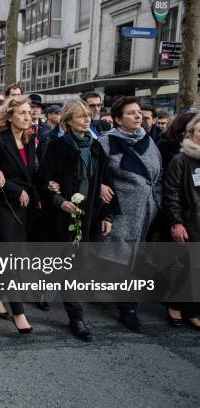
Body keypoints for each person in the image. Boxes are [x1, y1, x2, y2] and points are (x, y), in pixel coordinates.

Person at [38, 99, 120, 341]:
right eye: (81, 116)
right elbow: (43, 179)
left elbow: (107, 180)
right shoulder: (56, 146)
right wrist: (58, 199)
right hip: (63, 217)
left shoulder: (96, 148)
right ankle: (76, 317)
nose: (87, 119)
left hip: (89, 215)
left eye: (88, 116)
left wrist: (107, 214)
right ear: (68, 120)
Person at [97, 96, 162, 333]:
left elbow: (158, 175)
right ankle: (128, 309)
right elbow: (98, 175)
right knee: (120, 258)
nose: (138, 117)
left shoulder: (148, 141)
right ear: (117, 119)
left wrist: (156, 201)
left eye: (139, 113)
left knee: (135, 257)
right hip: (120, 211)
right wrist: (103, 193)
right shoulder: (106, 143)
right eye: (131, 113)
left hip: (146, 210)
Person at [0, 95, 36, 334]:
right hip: (3, 206)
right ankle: (19, 312)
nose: (27, 116)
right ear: (10, 116)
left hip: (23, 209)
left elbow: (31, 174)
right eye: (22, 112)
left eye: (29, 113)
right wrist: (16, 190)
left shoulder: (30, 140)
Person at [162, 114, 200, 330]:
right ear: (190, 134)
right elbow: (172, 194)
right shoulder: (181, 160)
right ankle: (175, 305)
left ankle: (193, 310)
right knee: (185, 267)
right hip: (189, 222)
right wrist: (176, 222)